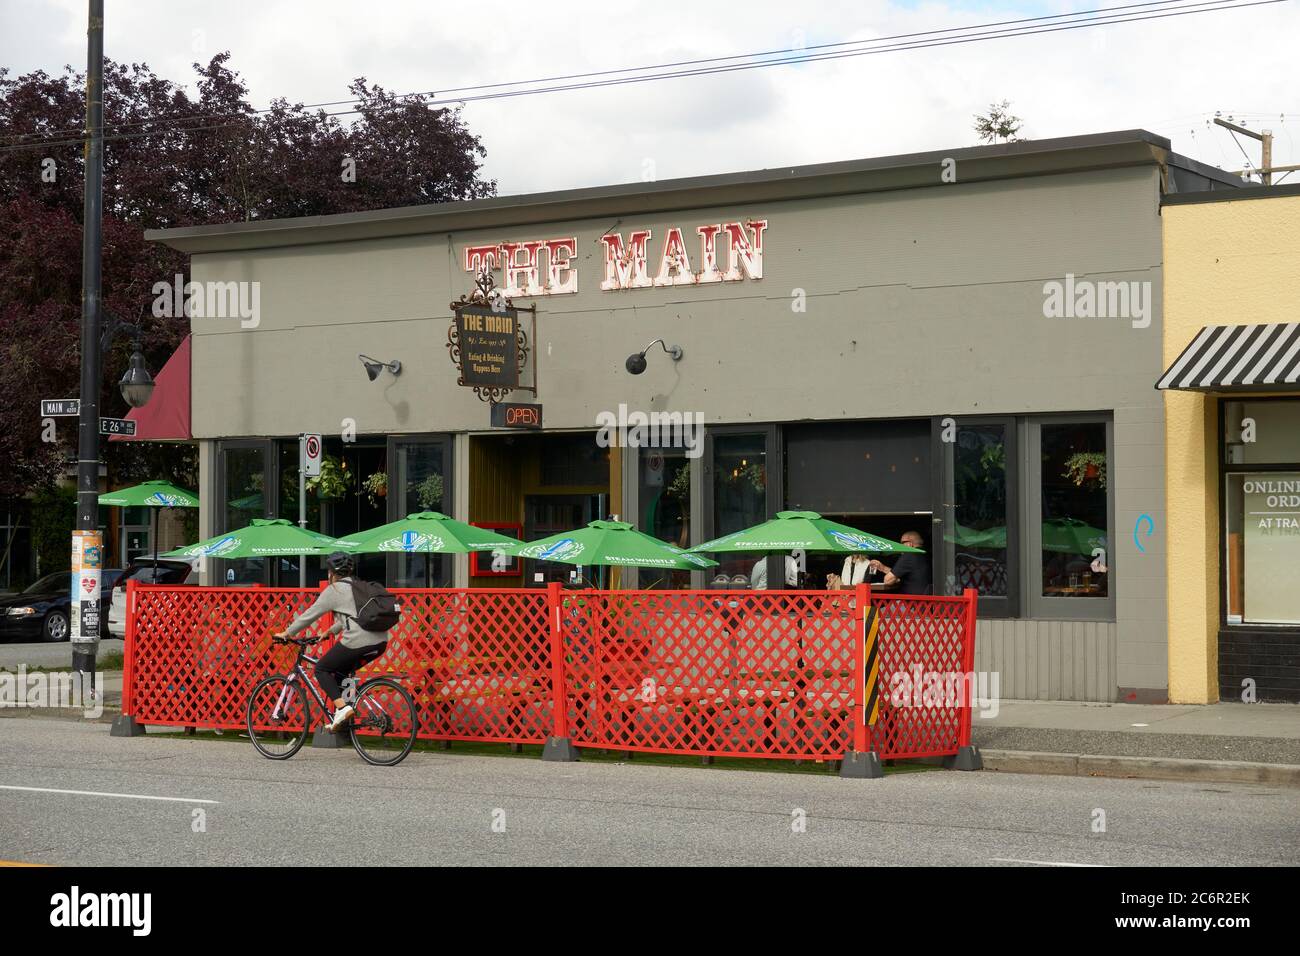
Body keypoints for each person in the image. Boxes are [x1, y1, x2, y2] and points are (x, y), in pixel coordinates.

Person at [272, 551, 391, 731]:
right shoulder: (359, 586)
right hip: (380, 641)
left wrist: (287, 633)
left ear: (331, 573)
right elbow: (356, 615)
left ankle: (342, 709)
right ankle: (343, 718)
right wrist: (331, 630)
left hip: (358, 640)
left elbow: (309, 615)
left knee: (322, 669)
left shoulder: (334, 590)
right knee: (340, 674)